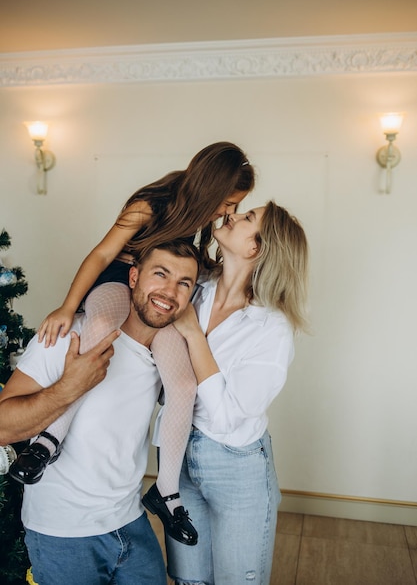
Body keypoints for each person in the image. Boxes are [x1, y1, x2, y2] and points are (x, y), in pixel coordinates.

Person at [8, 142, 254, 544]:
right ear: (210, 188)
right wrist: (69, 307)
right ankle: (47, 441)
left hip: (157, 300)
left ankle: (167, 492)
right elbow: (102, 254)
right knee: (100, 330)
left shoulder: (203, 222)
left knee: (184, 385)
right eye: (227, 203)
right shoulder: (150, 204)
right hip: (118, 285)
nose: (227, 212)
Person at [0, 240, 200, 585]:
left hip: (131, 523)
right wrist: (69, 385)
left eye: (184, 283)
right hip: (63, 534)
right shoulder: (66, 337)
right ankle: (49, 443)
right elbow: (2, 427)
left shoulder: (167, 356)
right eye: (160, 274)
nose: (169, 291)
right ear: (133, 277)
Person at [158, 202, 309, 585]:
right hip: (177, 459)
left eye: (246, 219)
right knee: (188, 579)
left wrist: (193, 334)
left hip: (236, 466)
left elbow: (227, 416)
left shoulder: (271, 329)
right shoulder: (196, 288)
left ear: (255, 248)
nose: (232, 217)